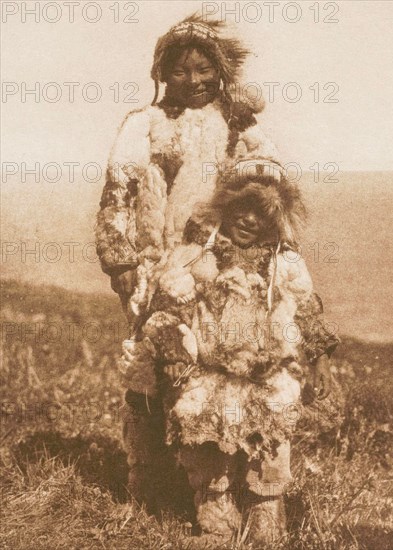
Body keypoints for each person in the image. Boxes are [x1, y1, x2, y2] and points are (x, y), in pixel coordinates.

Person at [95, 15, 284, 512]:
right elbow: (119, 192)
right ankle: (151, 482)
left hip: (222, 270)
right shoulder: (144, 124)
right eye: (180, 71)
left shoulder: (237, 129)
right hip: (154, 267)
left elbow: (266, 194)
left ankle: (222, 487)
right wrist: (121, 260)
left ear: (221, 72)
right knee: (149, 366)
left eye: (204, 70)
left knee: (217, 375)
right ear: (162, 73)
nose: (194, 80)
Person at [128, 159, 339, 545]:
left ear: (275, 220)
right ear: (224, 207)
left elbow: (307, 310)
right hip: (210, 377)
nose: (248, 220)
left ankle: (266, 529)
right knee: (212, 462)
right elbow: (167, 310)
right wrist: (174, 351)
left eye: (261, 213)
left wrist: (320, 358)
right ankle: (217, 530)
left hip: (266, 378)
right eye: (241, 208)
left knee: (269, 454)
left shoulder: (283, 262)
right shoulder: (194, 256)